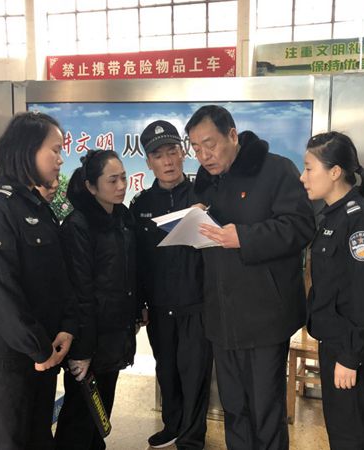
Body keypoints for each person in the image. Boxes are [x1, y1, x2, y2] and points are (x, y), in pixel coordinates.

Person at [185, 105, 315, 449]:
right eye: (196, 148)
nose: (204, 155)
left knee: (265, 408)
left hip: (264, 316)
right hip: (221, 314)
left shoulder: (276, 170)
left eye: (210, 144)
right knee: (234, 408)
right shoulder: (206, 182)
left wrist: (244, 237)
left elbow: (301, 226)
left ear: (232, 135)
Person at [0, 111, 77, 450]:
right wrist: (39, 347)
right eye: (55, 150)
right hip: (4, 366)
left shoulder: (37, 207)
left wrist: (65, 328)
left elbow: (56, 279)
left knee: (39, 440)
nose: (60, 159)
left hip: (39, 359)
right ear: (27, 150)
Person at [300, 132, 364, 449]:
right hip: (335, 344)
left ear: (335, 171)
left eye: (309, 168)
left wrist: (351, 356)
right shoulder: (332, 216)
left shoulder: (360, 220)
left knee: (353, 436)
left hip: (351, 349)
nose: (303, 177)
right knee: (341, 433)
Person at [130, 120, 212, 450]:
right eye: (158, 155)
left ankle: (191, 438)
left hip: (197, 303)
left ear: (183, 153)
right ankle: (172, 426)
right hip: (159, 306)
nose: (167, 161)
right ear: (149, 162)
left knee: (195, 374)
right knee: (167, 371)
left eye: (172, 151)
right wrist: (140, 304)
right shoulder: (141, 205)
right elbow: (138, 260)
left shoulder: (203, 196)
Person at [54, 150, 139, 450]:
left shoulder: (122, 217)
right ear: (91, 186)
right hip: (88, 339)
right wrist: (82, 350)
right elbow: (80, 293)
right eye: (112, 180)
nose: (121, 186)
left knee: (101, 414)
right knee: (79, 417)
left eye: (124, 178)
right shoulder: (78, 225)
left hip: (114, 335)